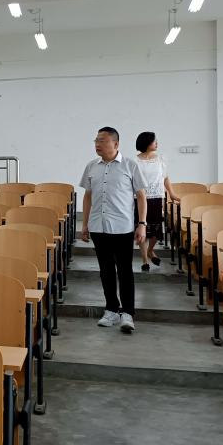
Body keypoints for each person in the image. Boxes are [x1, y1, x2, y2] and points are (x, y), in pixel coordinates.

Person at [79, 126, 147, 333]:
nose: (97, 144)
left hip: (122, 227)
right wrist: (84, 224)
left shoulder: (130, 165)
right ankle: (111, 309)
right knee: (106, 270)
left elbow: (141, 196)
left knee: (125, 271)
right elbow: (88, 196)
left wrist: (142, 224)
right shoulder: (91, 166)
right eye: (96, 141)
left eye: (102, 140)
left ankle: (128, 313)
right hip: (98, 226)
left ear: (115, 144)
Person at [135, 132, 179, 272]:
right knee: (142, 229)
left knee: (155, 232)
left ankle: (150, 250)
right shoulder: (134, 161)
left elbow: (165, 178)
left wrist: (171, 193)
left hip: (156, 198)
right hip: (139, 198)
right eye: (155, 141)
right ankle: (144, 260)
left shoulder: (160, 159)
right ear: (147, 143)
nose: (157, 143)